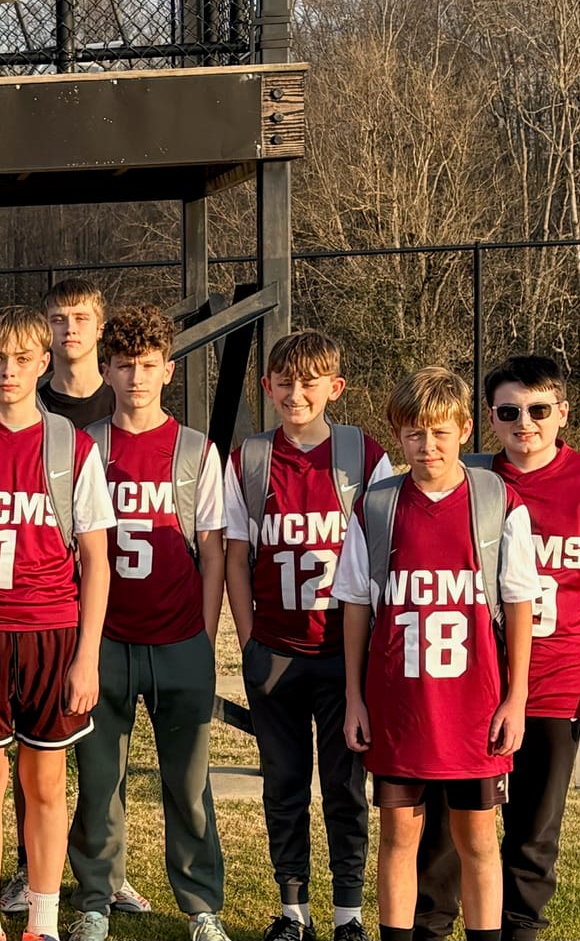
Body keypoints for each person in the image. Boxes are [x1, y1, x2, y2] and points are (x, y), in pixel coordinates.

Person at [409, 356, 580, 941]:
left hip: (556, 679)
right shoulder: (471, 478)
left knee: (533, 829)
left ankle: (519, 930)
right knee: (447, 827)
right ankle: (431, 927)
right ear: (490, 419)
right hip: (471, 681)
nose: (524, 423)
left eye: (538, 410)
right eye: (509, 412)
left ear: (562, 412)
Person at [334, 367, 538, 941]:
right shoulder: (377, 506)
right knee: (399, 836)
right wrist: (354, 697)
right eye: (415, 434)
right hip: (399, 705)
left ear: (465, 429)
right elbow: (356, 605)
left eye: (441, 432)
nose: (428, 446)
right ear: (398, 436)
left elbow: (519, 602)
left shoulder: (497, 501)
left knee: (478, 840)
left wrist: (516, 698)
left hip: (474, 705)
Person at [0, 306, 115, 941]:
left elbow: (95, 561)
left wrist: (87, 657)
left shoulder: (72, 445)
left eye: (21, 359)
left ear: (44, 362)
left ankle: (42, 922)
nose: (8, 371)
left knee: (44, 785)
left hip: (52, 635)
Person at [64, 306, 231, 941]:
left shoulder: (195, 449)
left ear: (169, 370)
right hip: (105, 638)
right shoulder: (85, 445)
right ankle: (97, 899)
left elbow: (212, 551)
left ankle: (200, 905)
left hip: (178, 635)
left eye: (149, 365)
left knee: (188, 783)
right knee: (99, 779)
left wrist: (204, 635)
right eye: (125, 365)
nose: (137, 377)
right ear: (106, 370)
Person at [222, 330, 391, 941]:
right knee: (284, 784)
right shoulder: (250, 459)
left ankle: (349, 914)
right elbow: (236, 556)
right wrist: (250, 641)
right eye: (285, 382)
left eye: (310, 383)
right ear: (267, 387)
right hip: (277, 650)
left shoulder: (363, 455)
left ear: (335, 388)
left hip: (344, 654)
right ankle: (293, 911)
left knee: (346, 787)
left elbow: (384, 552)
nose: (296, 394)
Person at [36, 279, 114, 428]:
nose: (70, 329)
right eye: (58, 320)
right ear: (45, 330)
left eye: (81, 319)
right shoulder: (30, 409)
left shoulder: (125, 403)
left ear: (100, 330)